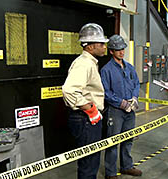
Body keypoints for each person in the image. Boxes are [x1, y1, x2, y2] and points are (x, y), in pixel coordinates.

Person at [62, 23, 108, 179]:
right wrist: (90, 108)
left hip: (89, 119)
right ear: (90, 47)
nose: (104, 47)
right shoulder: (84, 64)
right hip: (85, 119)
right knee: (89, 163)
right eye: (101, 44)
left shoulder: (90, 63)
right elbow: (69, 90)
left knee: (92, 159)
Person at [100, 35, 142, 179]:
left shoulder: (129, 67)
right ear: (111, 51)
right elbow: (106, 92)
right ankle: (111, 173)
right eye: (118, 50)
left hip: (130, 110)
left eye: (123, 49)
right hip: (116, 111)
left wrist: (134, 98)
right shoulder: (106, 70)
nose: (121, 52)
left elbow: (136, 83)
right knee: (113, 141)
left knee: (128, 139)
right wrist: (121, 103)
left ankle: (127, 166)